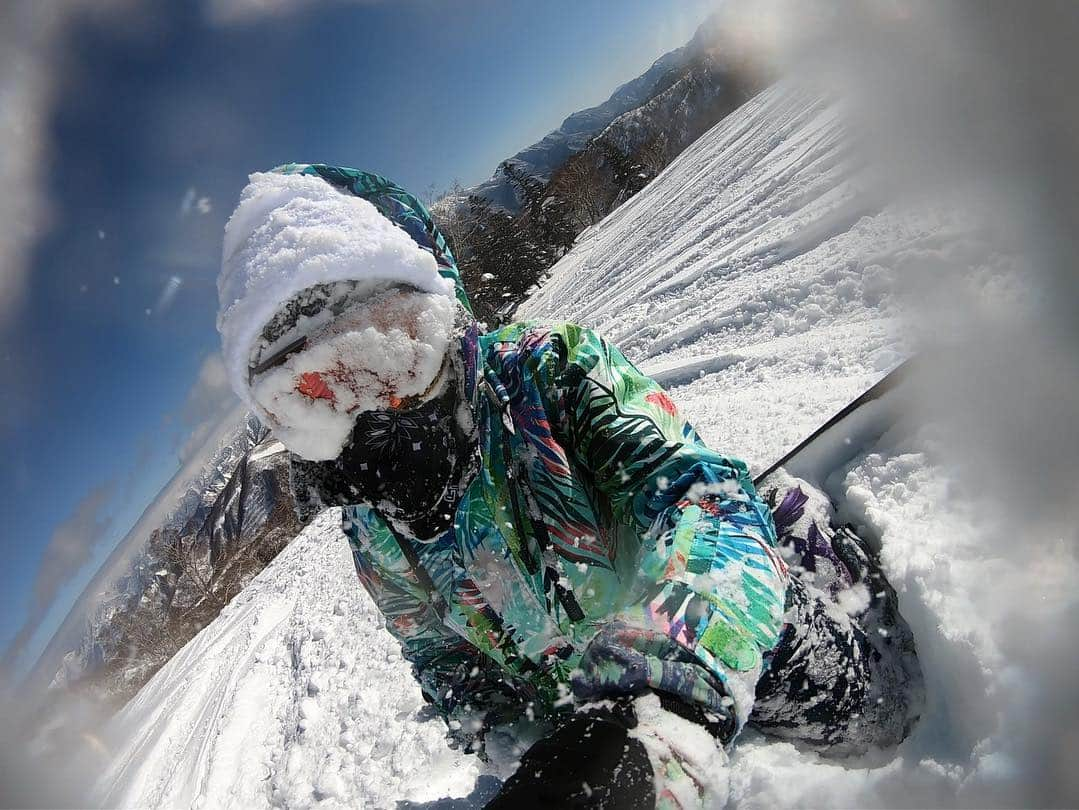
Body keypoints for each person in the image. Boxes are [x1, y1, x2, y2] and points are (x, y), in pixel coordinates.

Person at [217, 164, 924, 808]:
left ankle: (810, 546)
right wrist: (537, 755)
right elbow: (445, 664)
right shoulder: (373, 532)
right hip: (580, 703)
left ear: (443, 308)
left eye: (394, 348)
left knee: (880, 718)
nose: (375, 407)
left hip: (701, 636)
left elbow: (703, 502)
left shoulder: (547, 372)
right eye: (316, 394)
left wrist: (656, 712)